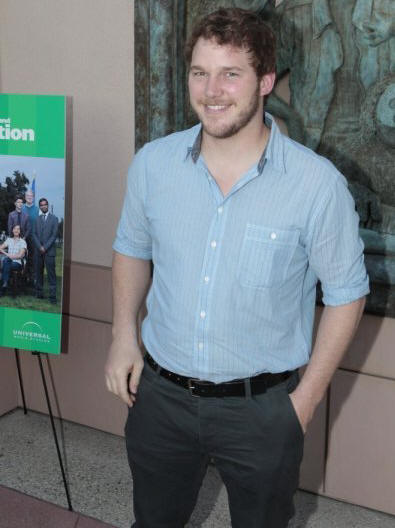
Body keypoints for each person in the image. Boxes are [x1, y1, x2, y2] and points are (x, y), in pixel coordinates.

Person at [106, 8, 369, 528]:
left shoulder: (316, 186)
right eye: (200, 73)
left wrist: (305, 402)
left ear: (265, 81)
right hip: (159, 399)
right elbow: (132, 248)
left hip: (263, 410)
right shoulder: (153, 166)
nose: (212, 90)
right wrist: (121, 335)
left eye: (231, 73)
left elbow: (347, 293)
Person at [32, 198, 58, 304]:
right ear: (40, 206)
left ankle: (52, 297)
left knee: (51, 275)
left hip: (49, 252)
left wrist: (45, 247)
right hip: (38, 252)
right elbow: (33, 234)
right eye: (41, 205)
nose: (43, 206)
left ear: (47, 205)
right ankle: (39, 294)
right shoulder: (36, 219)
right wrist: (40, 247)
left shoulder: (54, 219)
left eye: (45, 204)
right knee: (39, 274)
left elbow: (54, 235)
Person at [0, 224, 27, 294]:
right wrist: (7, 254)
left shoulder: (23, 242)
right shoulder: (9, 240)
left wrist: (10, 256)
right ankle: (5, 284)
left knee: (5, 261)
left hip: (17, 263)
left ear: (20, 231)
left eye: (18, 229)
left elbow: (20, 256)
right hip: (9, 261)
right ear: (12, 230)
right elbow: (0, 248)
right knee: (6, 261)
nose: (16, 230)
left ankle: (4, 284)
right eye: (15, 228)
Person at [22, 189, 39, 285]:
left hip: (33, 238)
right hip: (23, 238)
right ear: (25, 197)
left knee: (32, 258)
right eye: (27, 196)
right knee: (22, 257)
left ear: (33, 197)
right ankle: (23, 278)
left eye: (31, 196)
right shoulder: (22, 207)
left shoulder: (37, 210)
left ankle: (32, 279)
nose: (29, 197)